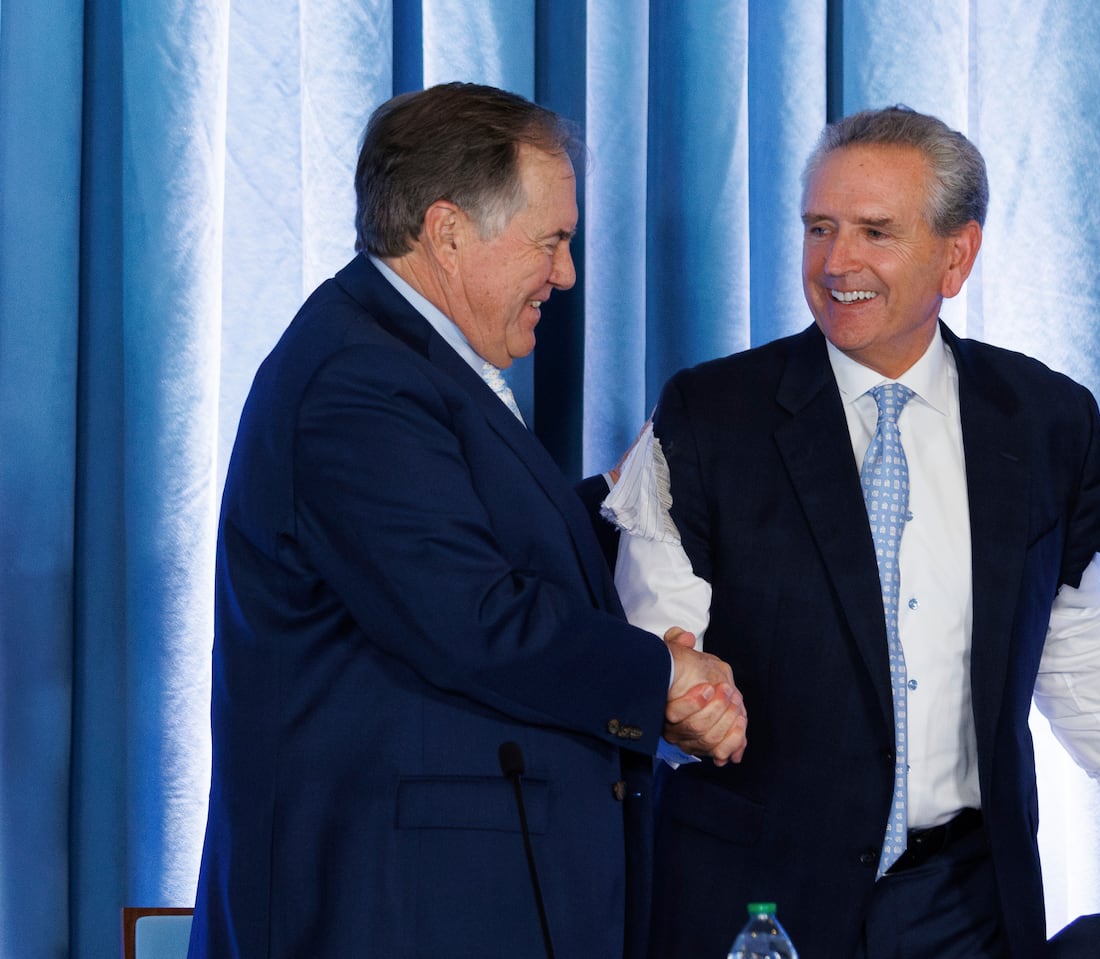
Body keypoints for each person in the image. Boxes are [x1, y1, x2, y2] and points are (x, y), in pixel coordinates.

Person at [607, 106, 1100, 958]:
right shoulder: (708, 412)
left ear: (956, 256)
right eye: (819, 228)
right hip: (757, 901)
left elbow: (1071, 648)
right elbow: (658, 625)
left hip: (964, 904)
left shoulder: (1045, 420)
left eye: (874, 232)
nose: (836, 262)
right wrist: (681, 692)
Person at [187, 83, 746, 959]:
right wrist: (663, 679)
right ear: (448, 232)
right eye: (551, 241)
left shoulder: (398, 358)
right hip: (389, 910)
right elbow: (473, 618)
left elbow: (470, 542)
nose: (565, 273)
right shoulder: (356, 382)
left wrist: (623, 495)